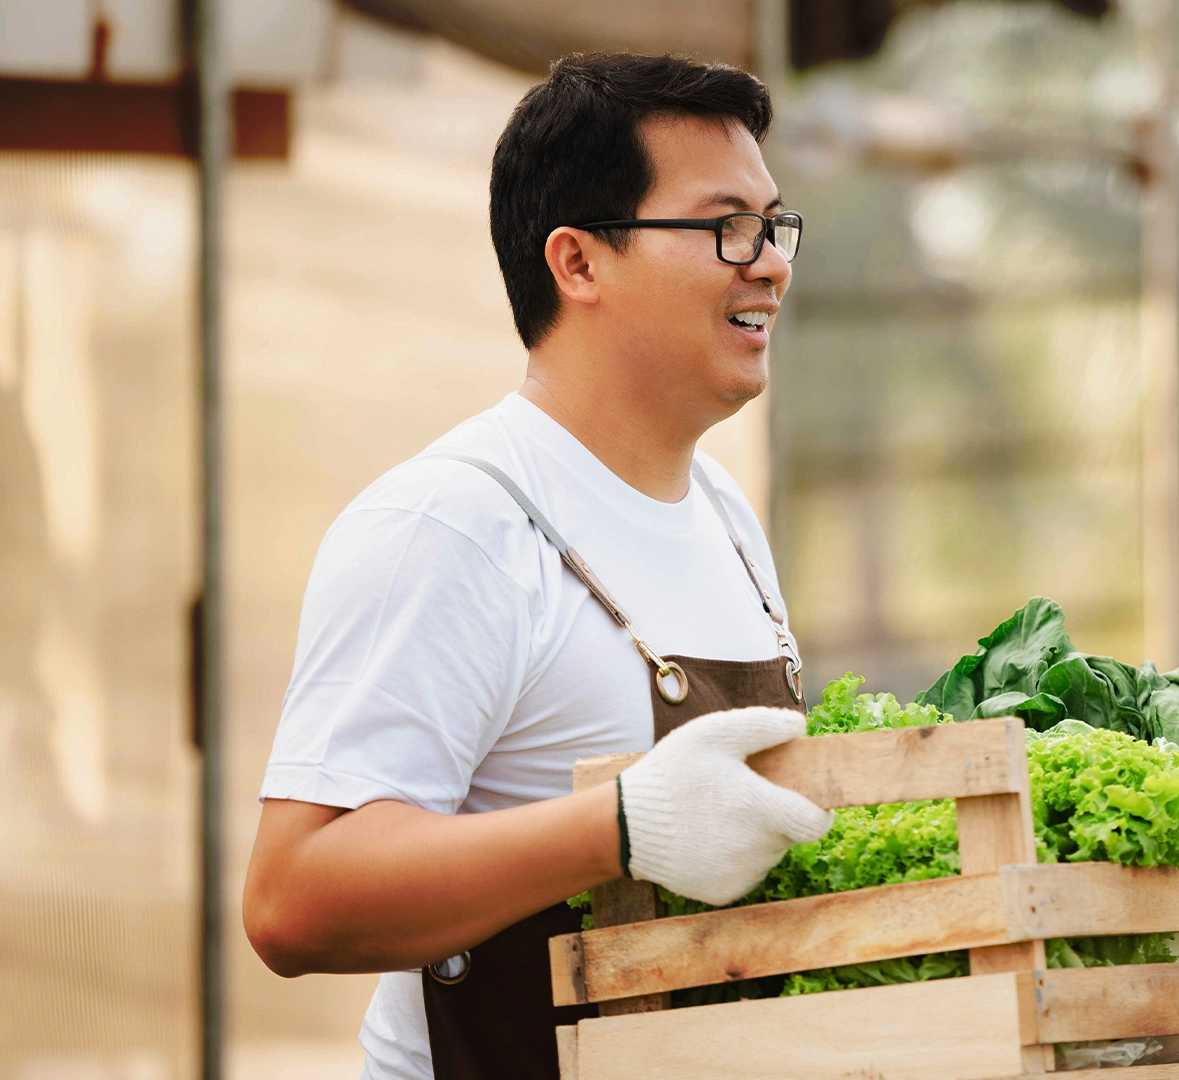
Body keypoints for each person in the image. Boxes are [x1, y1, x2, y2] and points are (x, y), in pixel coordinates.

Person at [242, 53, 833, 1080]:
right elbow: (294, 900)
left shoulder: (727, 514)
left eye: (775, 226)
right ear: (579, 262)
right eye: (725, 226)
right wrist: (616, 826)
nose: (771, 262)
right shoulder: (458, 520)